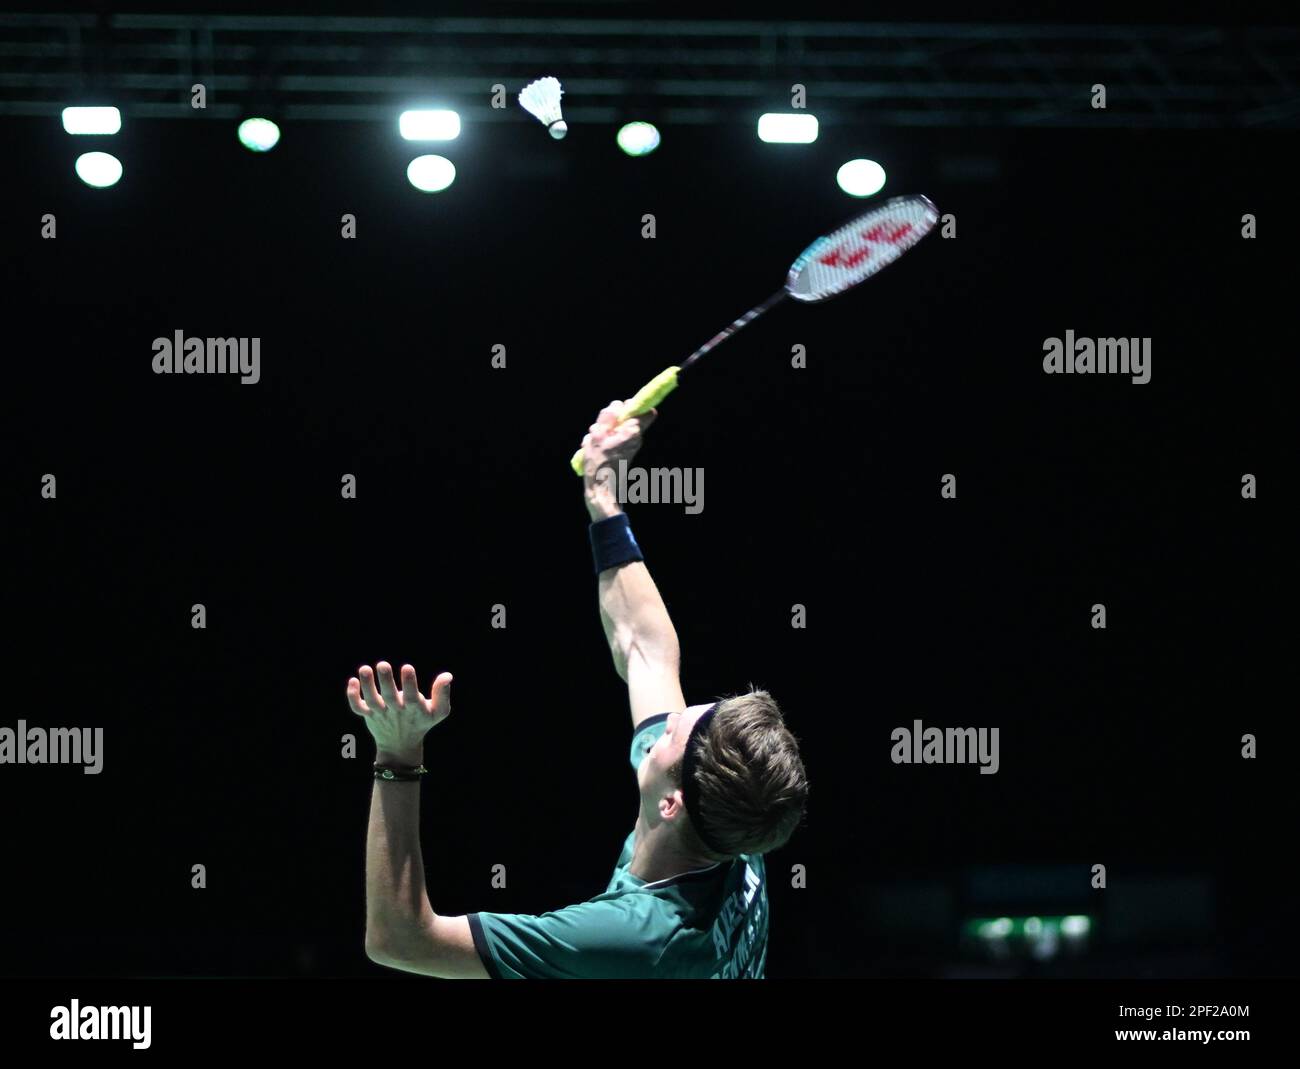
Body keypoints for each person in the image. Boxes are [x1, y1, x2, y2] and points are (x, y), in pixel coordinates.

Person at [349, 401, 809, 978]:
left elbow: (400, 941)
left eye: (680, 730)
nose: (672, 715)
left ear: (671, 802)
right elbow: (645, 647)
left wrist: (397, 754)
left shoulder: (639, 938)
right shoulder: (731, 821)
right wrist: (604, 499)